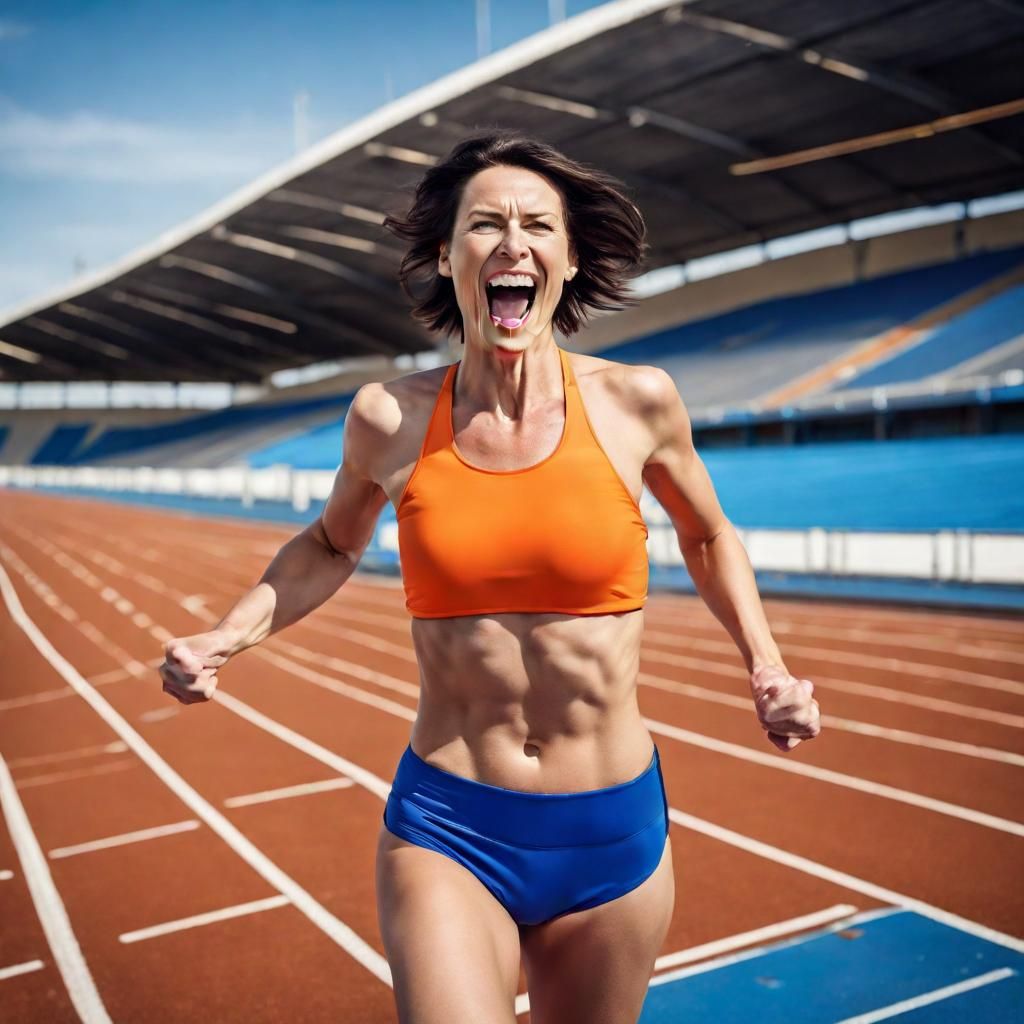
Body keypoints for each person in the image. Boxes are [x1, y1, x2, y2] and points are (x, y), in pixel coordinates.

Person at [159, 132, 821, 1024]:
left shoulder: (639, 403)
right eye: (486, 224)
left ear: (569, 259)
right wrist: (224, 635)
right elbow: (328, 546)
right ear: (447, 255)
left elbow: (706, 535)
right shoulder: (388, 417)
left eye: (538, 225)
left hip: (612, 832)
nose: (513, 243)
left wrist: (766, 666)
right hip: (452, 824)